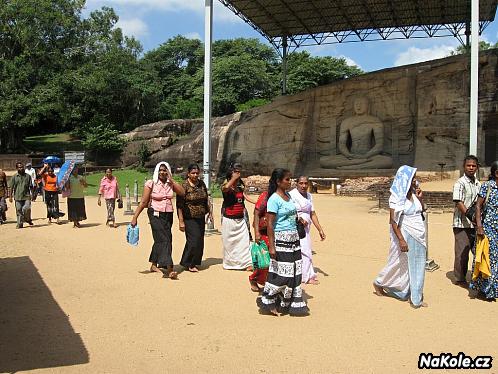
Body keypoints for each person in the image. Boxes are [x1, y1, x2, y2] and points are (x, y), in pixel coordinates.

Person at [373, 165, 427, 308]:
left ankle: (415, 295)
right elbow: (393, 221)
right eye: (412, 177)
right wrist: (401, 240)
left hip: (419, 234)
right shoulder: (396, 198)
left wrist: (421, 199)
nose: (415, 180)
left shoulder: (415, 195)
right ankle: (380, 282)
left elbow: (422, 212)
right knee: (399, 263)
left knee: (417, 265)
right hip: (406, 234)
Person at [257, 168, 309, 316]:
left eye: (290, 179)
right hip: (281, 240)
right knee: (282, 274)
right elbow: (270, 224)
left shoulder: (288, 196)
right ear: (278, 182)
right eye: (287, 179)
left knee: (294, 272)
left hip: (294, 240)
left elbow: (291, 214)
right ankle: (269, 301)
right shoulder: (273, 199)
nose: (290, 182)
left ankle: (287, 302)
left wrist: (299, 220)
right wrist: (272, 247)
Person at [131, 162, 185, 278]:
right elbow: (144, 202)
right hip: (155, 214)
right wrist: (135, 217)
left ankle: (154, 264)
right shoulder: (151, 183)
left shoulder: (170, 183)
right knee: (164, 239)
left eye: (165, 170)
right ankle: (169, 269)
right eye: (160, 170)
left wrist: (172, 180)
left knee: (162, 239)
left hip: (168, 214)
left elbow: (182, 192)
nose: (163, 172)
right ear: (156, 171)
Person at [319, 96, 393, 169]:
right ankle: (359, 164)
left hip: (369, 155)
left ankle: (353, 166)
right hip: (351, 157)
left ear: (368, 106)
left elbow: (379, 145)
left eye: (362, 104)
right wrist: (348, 155)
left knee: (388, 161)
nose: (359, 106)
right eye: (356, 104)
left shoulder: (374, 121)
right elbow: (342, 144)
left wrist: (366, 155)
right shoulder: (346, 122)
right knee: (323, 161)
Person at [288, 176, 326, 284]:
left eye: (305, 183)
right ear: (297, 184)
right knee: (302, 250)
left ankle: (307, 274)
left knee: (307, 249)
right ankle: (302, 276)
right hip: (295, 227)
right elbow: (288, 211)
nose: (304, 186)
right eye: (301, 183)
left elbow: (312, 213)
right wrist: (299, 219)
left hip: (306, 229)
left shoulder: (309, 196)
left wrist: (320, 229)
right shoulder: (291, 195)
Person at [470, 160, 498, 300]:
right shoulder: (487, 187)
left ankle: (494, 289)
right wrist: (479, 226)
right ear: (496, 173)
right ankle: (486, 290)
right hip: (488, 229)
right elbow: (478, 206)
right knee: (488, 259)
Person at [176, 164, 211, 272]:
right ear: (188, 174)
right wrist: (181, 221)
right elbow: (179, 205)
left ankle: (193, 261)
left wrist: (210, 212)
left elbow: (206, 199)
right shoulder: (184, 186)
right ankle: (189, 263)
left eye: (197, 173)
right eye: (193, 173)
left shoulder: (201, 184)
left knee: (199, 240)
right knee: (193, 240)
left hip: (200, 216)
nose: (195, 175)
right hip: (189, 217)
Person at [452, 155, 480, 285]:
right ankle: (460, 278)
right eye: (468, 165)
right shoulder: (460, 183)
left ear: (477, 168)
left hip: (476, 225)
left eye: (473, 166)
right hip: (461, 224)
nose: (471, 168)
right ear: (464, 167)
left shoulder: (478, 183)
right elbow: (458, 201)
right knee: (462, 254)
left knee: (478, 252)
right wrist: (470, 215)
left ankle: (478, 278)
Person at [221, 164, 255, 271]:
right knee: (230, 244)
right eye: (235, 173)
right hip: (229, 220)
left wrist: (258, 202)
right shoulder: (225, 187)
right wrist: (233, 179)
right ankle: (231, 264)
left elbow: (245, 197)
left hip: (241, 220)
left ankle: (246, 263)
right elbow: (226, 188)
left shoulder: (240, 187)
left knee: (244, 242)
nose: (238, 175)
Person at [250, 190, 270, 291]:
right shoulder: (266, 195)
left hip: (277, 232)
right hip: (264, 231)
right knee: (264, 260)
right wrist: (257, 232)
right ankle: (254, 278)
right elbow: (257, 212)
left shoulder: (286, 195)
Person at [9, 162, 34, 228]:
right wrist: (10, 196)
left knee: (27, 208)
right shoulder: (14, 177)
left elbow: (31, 186)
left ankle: (27, 219)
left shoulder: (28, 176)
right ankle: (20, 223)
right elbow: (11, 187)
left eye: (22, 167)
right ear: (17, 168)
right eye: (19, 167)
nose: (21, 168)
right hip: (17, 196)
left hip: (26, 195)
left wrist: (32, 194)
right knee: (19, 210)